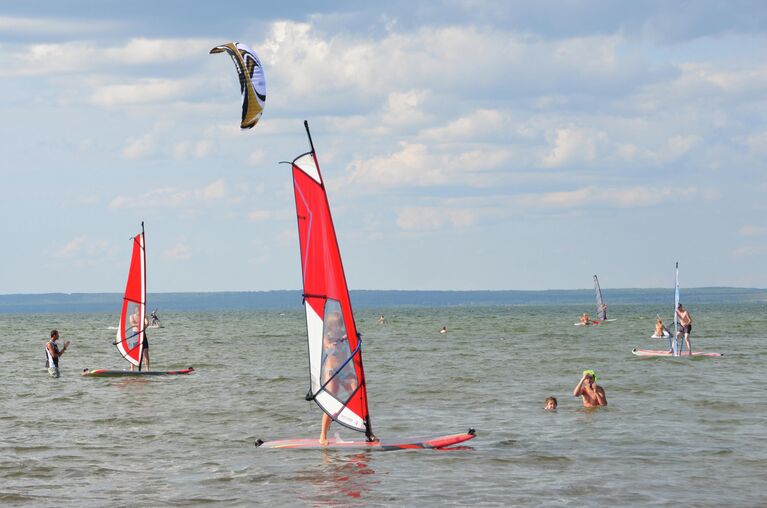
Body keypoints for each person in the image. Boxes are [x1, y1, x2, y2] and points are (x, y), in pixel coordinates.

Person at [319, 312, 358, 445]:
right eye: (333, 325)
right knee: (331, 400)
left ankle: (364, 427)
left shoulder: (345, 334)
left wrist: (352, 337)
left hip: (345, 371)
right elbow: (327, 347)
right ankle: (323, 435)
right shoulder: (327, 337)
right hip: (332, 372)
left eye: (338, 324)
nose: (336, 327)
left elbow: (354, 339)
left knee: (357, 393)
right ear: (330, 326)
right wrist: (331, 346)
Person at [129, 305, 150, 371]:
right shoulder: (132, 316)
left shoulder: (143, 316)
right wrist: (140, 324)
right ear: (135, 310)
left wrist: (143, 327)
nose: (138, 311)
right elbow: (132, 324)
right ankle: (132, 369)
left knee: (145, 351)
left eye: (139, 310)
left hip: (143, 334)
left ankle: (147, 369)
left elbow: (147, 323)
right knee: (133, 351)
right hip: (135, 334)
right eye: (137, 310)